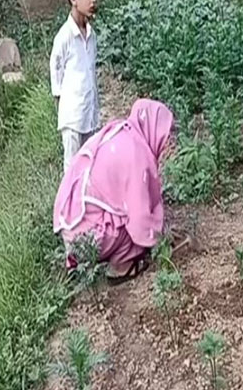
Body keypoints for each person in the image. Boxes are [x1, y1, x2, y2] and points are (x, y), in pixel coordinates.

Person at [53, 99, 174, 284]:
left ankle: (80, 262)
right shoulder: (137, 153)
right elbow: (140, 223)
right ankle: (121, 267)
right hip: (87, 239)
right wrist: (162, 239)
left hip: (70, 229)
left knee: (120, 209)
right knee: (131, 225)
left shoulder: (120, 132)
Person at [50, 0, 99, 173]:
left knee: (91, 167)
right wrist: (61, 102)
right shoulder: (65, 37)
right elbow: (56, 68)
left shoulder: (92, 35)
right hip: (72, 117)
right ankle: (67, 206)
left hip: (90, 114)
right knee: (72, 170)